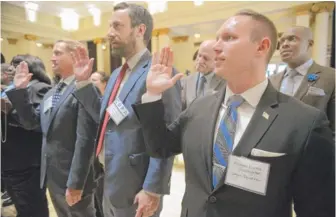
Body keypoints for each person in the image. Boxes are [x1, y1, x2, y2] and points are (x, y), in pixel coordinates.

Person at [132, 9, 335, 217]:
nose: (217, 47)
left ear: (262, 47)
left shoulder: (304, 122)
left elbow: (317, 209)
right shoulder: (199, 107)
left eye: (229, 38)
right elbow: (160, 147)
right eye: (217, 38)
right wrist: (153, 95)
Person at [72, 2, 182, 217]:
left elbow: (166, 136)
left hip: (136, 186)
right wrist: (84, 84)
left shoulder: (158, 71)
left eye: (116, 26)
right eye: (109, 27)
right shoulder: (116, 75)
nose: (108, 33)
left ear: (140, 30)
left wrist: (152, 188)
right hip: (109, 178)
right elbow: (105, 118)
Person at [6, 40, 99, 217]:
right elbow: (32, 123)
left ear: (74, 56)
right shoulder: (52, 92)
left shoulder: (84, 89)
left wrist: (76, 183)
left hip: (74, 178)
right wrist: (19, 92)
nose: (52, 58)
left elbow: (85, 140)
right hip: (53, 176)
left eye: (57, 53)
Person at [1, 54, 50, 217]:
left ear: (32, 67)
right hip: (10, 163)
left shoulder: (40, 88)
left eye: (17, 64)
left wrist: (11, 111)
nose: (11, 68)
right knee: (23, 209)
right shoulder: (11, 88)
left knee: (34, 210)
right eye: (12, 64)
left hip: (27, 165)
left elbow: (36, 124)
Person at [269, 26, 335, 136]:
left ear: (310, 44)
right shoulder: (272, 80)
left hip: (314, 150)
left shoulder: (331, 77)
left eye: (292, 39)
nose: (284, 44)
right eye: (281, 41)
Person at [181, 40, 225, 109]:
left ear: (216, 60)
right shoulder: (187, 81)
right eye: (199, 55)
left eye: (206, 58)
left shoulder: (225, 82)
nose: (200, 61)